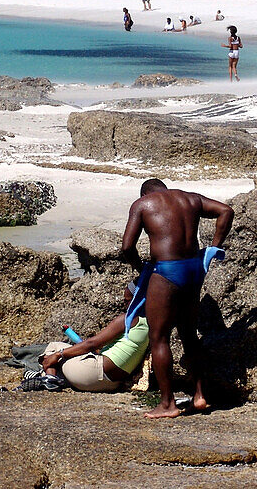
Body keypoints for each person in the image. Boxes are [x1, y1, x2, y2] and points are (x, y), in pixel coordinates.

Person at [119, 179, 233, 418]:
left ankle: (168, 404)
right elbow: (226, 211)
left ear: (145, 193)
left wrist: (142, 269)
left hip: (167, 270)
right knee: (190, 335)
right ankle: (200, 396)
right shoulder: (191, 198)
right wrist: (213, 247)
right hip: (194, 269)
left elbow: (127, 246)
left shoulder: (142, 204)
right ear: (165, 189)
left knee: (159, 337)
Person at [40, 284, 150, 393]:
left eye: (127, 301)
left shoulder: (128, 320)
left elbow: (92, 343)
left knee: (55, 347)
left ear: (138, 300)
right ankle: (52, 375)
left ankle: (50, 377)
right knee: (65, 355)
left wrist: (59, 354)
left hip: (93, 374)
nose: (124, 305)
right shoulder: (150, 323)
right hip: (113, 384)